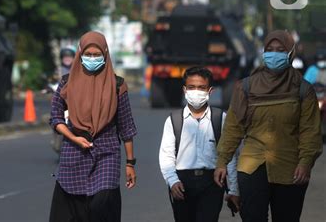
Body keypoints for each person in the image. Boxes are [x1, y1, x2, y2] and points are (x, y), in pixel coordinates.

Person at [214, 30, 323, 222]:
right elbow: (233, 128)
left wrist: (306, 162)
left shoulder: (303, 90)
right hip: (251, 167)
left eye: (280, 50)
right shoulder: (246, 87)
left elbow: (310, 133)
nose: (274, 54)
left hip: (291, 170)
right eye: (269, 49)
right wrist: (222, 161)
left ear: (291, 53)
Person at [49, 31, 138, 222]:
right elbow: (55, 118)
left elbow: (126, 127)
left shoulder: (117, 85)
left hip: (107, 152)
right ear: (80, 54)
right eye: (87, 54)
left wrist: (130, 163)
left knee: (102, 201)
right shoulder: (66, 83)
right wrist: (73, 138)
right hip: (74, 151)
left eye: (96, 55)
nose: (91, 58)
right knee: (73, 206)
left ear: (105, 54)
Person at [159, 66, 240, 222]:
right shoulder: (174, 120)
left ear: (210, 91)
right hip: (182, 183)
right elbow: (166, 155)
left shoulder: (220, 118)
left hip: (212, 182)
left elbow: (229, 155)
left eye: (201, 88)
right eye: (191, 87)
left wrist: (234, 189)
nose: (196, 91)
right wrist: (172, 181)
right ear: (184, 90)